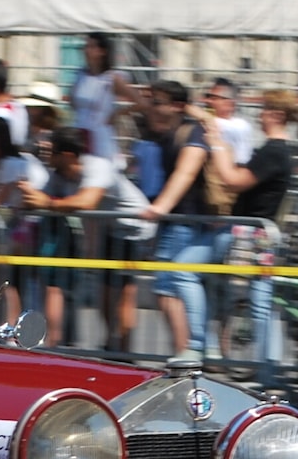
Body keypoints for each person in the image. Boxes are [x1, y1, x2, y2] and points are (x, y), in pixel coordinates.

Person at [199, 87, 298, 383]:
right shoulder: (275, 152)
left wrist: (217, 144)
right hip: (259, 230)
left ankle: (266, 369)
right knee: (258, 299)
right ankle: (266, 368)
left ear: (277, 115)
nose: (260, 115)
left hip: (257, 232)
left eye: (265, 109)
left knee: (257, 299)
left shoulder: (273, 152)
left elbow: (233, 180)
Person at [24, 125, 151, 348]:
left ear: (67, 156)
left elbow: (87, 201)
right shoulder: (60, 174)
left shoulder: (97, 167)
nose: (47, 157)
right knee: (104, 296)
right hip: (109, 230)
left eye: (51, 152)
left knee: (121, 297)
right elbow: (40, 197)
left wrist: (48, 203)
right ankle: (114, 344)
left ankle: (124, 351)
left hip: (134, 229)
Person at [133, 80, 216, 354]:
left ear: (177, 106)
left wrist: (160, 208)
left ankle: (186, 356)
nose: (152, 107)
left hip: (184, 220)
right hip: (177, 221)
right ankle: (186, 354)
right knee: (167, 291)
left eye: (158, 102)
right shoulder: (172, 130)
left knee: (169, 291)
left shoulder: (192, 133)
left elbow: (186, 172)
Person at [69, 32, 135, 160]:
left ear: (102, 51)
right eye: (86, 46)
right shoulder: (80, 75)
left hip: (100, 134)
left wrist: (117, 113)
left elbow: (141, 103)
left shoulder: (111, 78)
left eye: (91, 47)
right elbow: (73, 102)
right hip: (80, 131)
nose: (86, 50)